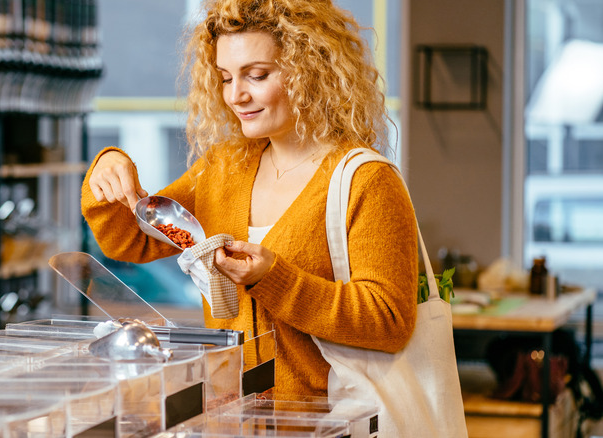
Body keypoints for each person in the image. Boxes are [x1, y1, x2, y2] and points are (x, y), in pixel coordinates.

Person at [81, 0, 417, 399]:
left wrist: (274, 280)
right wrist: (108, 166)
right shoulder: (224, 168)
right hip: (234, 416)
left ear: (312, 70)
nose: (236, 95)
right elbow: (129, 239)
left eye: (256, 75)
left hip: (328, 421)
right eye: (225, 77)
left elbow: (389, 322)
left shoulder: (366, 180)